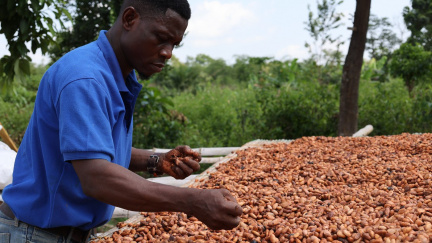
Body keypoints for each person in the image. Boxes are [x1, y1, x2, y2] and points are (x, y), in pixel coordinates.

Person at [0, 0, 242, 242]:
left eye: (174, 44)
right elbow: (97, 177)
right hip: (33, 234)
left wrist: (157, 161)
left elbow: (97, 152)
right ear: (129, 19)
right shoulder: (85, 78)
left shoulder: (115, 76)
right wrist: (193, 201)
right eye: (161, 37)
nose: (167, 53)